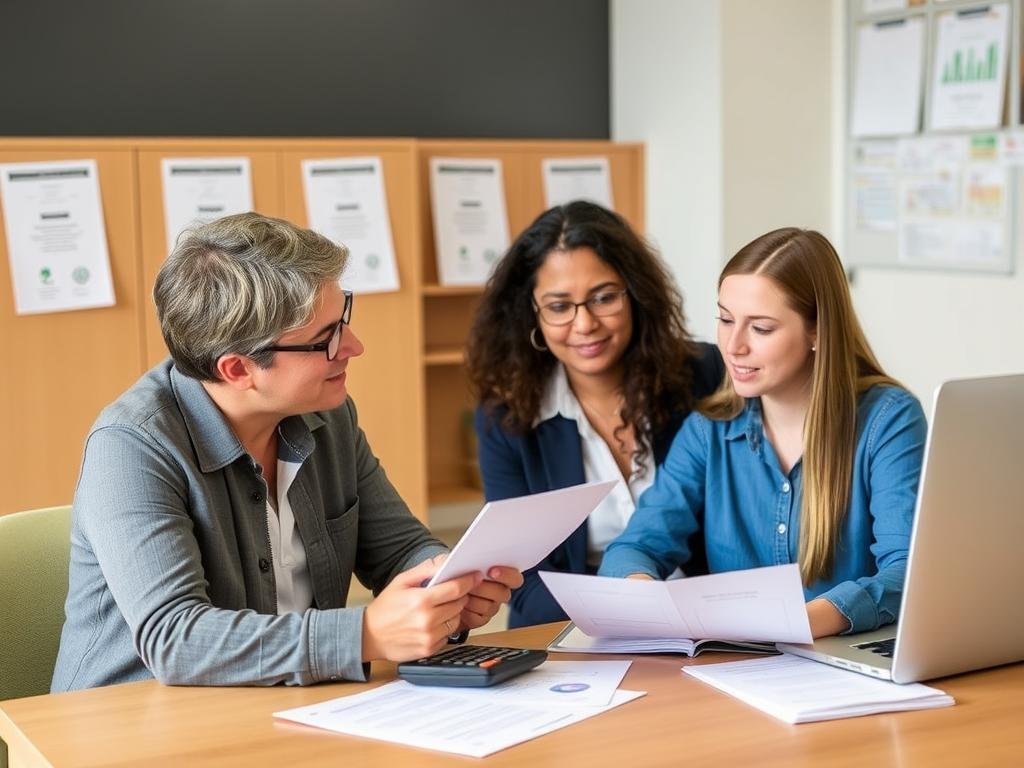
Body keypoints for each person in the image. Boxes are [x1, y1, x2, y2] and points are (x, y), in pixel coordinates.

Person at [51, 212, 521, 691]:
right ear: (238, 370)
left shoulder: (330, 416)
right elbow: (175, 638)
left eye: (345, 320)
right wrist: (364, 634)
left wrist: (445, 587)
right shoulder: (132, 446)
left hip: (280, 705)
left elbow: (399, 548)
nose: (353, 347)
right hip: (127, 726)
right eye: (326, 340)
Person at [599, 228, 926, 638]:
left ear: (818, 331)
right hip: (741, 664)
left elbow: (907, 572)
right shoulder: (707, 431)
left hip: (847, 658)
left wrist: (799, 622)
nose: (733, 346)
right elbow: (633, 549)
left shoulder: (888, 421)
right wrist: (647, 598)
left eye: (762, 328)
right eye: (725, 319)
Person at [466, 201, 723, 628]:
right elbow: (519, 580)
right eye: (559, 306)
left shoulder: (705, 374)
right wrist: (631, 611)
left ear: (635, 294)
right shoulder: (508, 416)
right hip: (576, 634)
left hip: (705, 622)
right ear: (532, 312)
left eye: (603, 298)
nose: (584, 324)